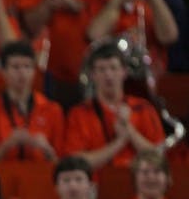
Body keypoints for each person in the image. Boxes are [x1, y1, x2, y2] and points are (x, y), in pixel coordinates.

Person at [64, 43, 165, 171]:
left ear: (124, 72)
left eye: (113, 68)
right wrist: (119, 142)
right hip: (95, 186)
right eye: (101, 69)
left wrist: (129, 131)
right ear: (92, 75)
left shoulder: (143, 108)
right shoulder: (79, 113)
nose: (108, 75)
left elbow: (159, 157)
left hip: (140, 184)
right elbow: (75, 162)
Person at [0, 41, 65, 165]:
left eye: (27, 67)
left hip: (41, 178)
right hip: (0, 179)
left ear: (34, 71)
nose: (22, 73)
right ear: (3, 72)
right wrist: (7, 145)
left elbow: (63, 166)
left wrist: (47, 150)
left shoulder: (53, 110)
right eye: (16, 67)